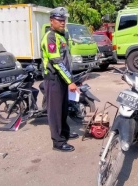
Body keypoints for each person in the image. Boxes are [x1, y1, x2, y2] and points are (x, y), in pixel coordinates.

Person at [40, 7, 79, 152]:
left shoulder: (61, 36)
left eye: (64, 20)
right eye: (59, 20)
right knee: (55, 112)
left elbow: (66, 59)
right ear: (51, 21)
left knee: (63, 109)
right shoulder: (50, 37)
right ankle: (58, 142)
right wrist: (70, 81)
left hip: (62, 78)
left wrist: (69, 78)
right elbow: (56, 61)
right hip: (54, 79)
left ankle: (65, 133)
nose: (63, 23)